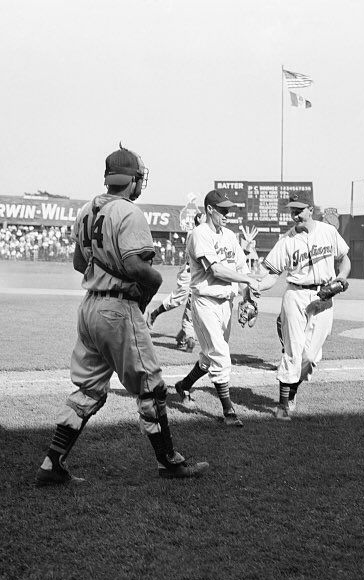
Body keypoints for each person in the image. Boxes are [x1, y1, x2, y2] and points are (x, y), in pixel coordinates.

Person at [35, 144, 209, 486]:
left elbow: (78, 264)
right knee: (152, 387)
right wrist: (152, 284)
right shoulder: (129, 212)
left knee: (87, 389)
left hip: (89, 307)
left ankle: (51, 464)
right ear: (131, 180)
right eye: (140, 177)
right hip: (118, 307)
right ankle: (168, 462)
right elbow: (135, 265)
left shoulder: (88, 209)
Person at [253, 191, 351, 421]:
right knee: (293, 350)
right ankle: (282, 406)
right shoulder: (286, 240)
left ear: (311, 209)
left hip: (324, 297)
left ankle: (292, 391)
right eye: (292, 211)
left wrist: (342, 276)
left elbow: (344, 258)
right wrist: (255, 287)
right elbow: (272, 275)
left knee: (310, 356)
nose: (295, 215)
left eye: (299, 210)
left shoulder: (328, 232)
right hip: (296, 296)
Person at [174, 190, 260, 426]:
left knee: (210, 356)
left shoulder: (230, 236)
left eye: (228, 209)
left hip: (226, 305)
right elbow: (215, 270)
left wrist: (248, 296)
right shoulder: (199, 234)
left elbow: (242, 270)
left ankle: (183, 386)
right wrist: (247, 281)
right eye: (222, 209)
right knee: (221, 356)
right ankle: (229, 412)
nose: (227, 213)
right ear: (209, 209)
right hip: (205, 302)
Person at [147, 212, 204, 352]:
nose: (206, 219)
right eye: (203, 217)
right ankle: (154, 314)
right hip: (188, 273)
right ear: (197, 219)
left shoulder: (205, 233)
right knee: (178, 300)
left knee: (195, 306)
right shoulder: (194, 232)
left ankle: (183, 337)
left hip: (199, 274)